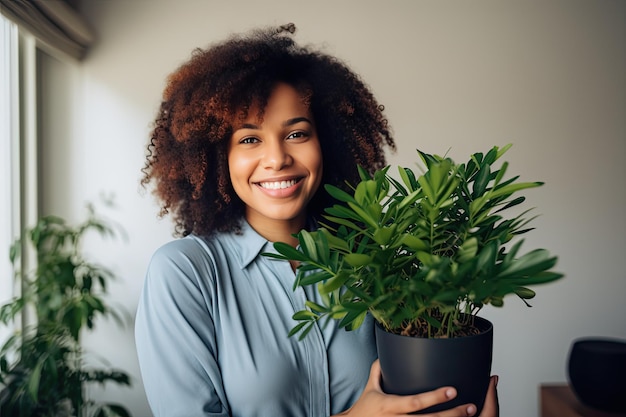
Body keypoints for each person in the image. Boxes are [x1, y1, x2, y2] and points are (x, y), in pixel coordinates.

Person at [136, 23, 499, 417]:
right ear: (215, 157)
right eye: (249, 139)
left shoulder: (374, 259)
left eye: (296, 134)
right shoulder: (185, 273)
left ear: (327, 142)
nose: (277, 159)